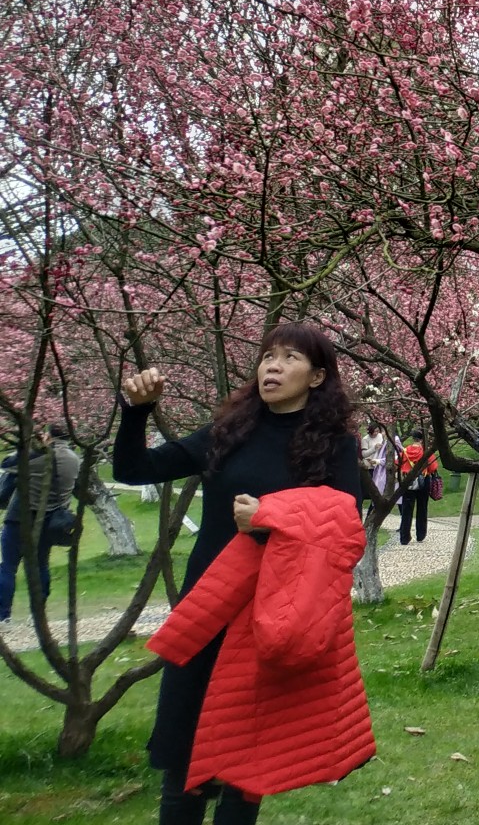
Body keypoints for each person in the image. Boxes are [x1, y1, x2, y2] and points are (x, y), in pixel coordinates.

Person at [115, 324, 364, 824]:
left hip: (270, 614)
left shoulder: (334, 446)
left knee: (243, 763)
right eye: (267, 356)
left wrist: (271, 517)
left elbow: (345, 525)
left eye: (289, 357)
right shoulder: (228, 434)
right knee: (183, 752)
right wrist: (137, 411)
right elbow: (133, 470)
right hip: (208, 605)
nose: (271, 365)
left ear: (317, 377)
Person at [0, 423, 83, 623]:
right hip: (50, 521)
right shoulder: (74, 460)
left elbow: (7, 464)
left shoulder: (36, 455)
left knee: (8, 566)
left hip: (20, 518)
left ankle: (3, 615)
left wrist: (25, 448)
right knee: (40, 566)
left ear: (48, 435)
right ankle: (37, 613)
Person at [396, 437, 438, 545]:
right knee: (422, 508)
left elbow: (397, 463)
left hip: (408, 481)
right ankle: (420, 535)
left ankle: (404, 537)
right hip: (423, 480)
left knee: (406, 510)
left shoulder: (405, 451)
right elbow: (433, 467)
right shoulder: (425, 451)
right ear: (422, 440)